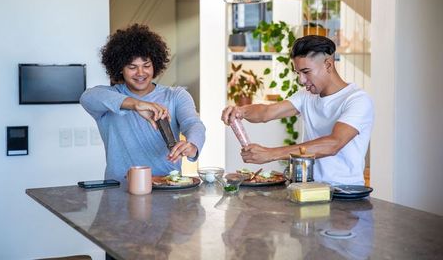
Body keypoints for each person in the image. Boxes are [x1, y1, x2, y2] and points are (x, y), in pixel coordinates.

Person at [221, 35, 374, 185]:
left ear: (328, 64)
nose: (301, 80)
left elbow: (333, 144)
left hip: (345, 193)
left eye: (306, 72)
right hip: (308, 188)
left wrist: (271, 154)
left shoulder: (357, 100)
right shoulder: (306, 96)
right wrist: (241, 111)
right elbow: (266, 112)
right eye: (298, 73)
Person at [80, 23, 205, 180]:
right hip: (119, 190)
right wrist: (136, 104)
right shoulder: (110, 98)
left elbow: (193, 123)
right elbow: (87, 97)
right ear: (120, 68)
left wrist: (192, 144)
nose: (140, 73)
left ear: (155, 65)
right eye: (132, 67)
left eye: (146, 65)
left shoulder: (176, 95)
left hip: (167, 186)